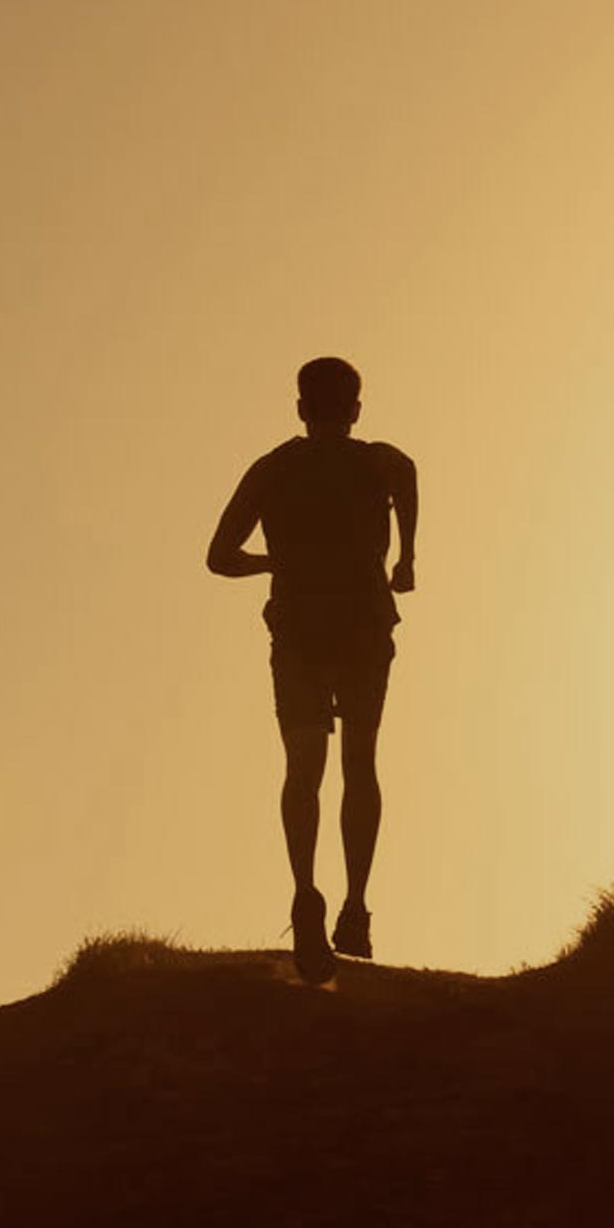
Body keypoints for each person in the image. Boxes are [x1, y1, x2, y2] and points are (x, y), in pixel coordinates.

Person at [207, 357, 417, 983]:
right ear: (355, 409)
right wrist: (408, 556)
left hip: (298, 630)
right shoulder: (379, 460)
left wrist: (275, 564)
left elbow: (219, 556)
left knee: (303, 767)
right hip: (363, 627)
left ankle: (306, 891)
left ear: (301, 408)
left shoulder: (273, 469)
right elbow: (407, 475)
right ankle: (355, 905)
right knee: (360, 760)